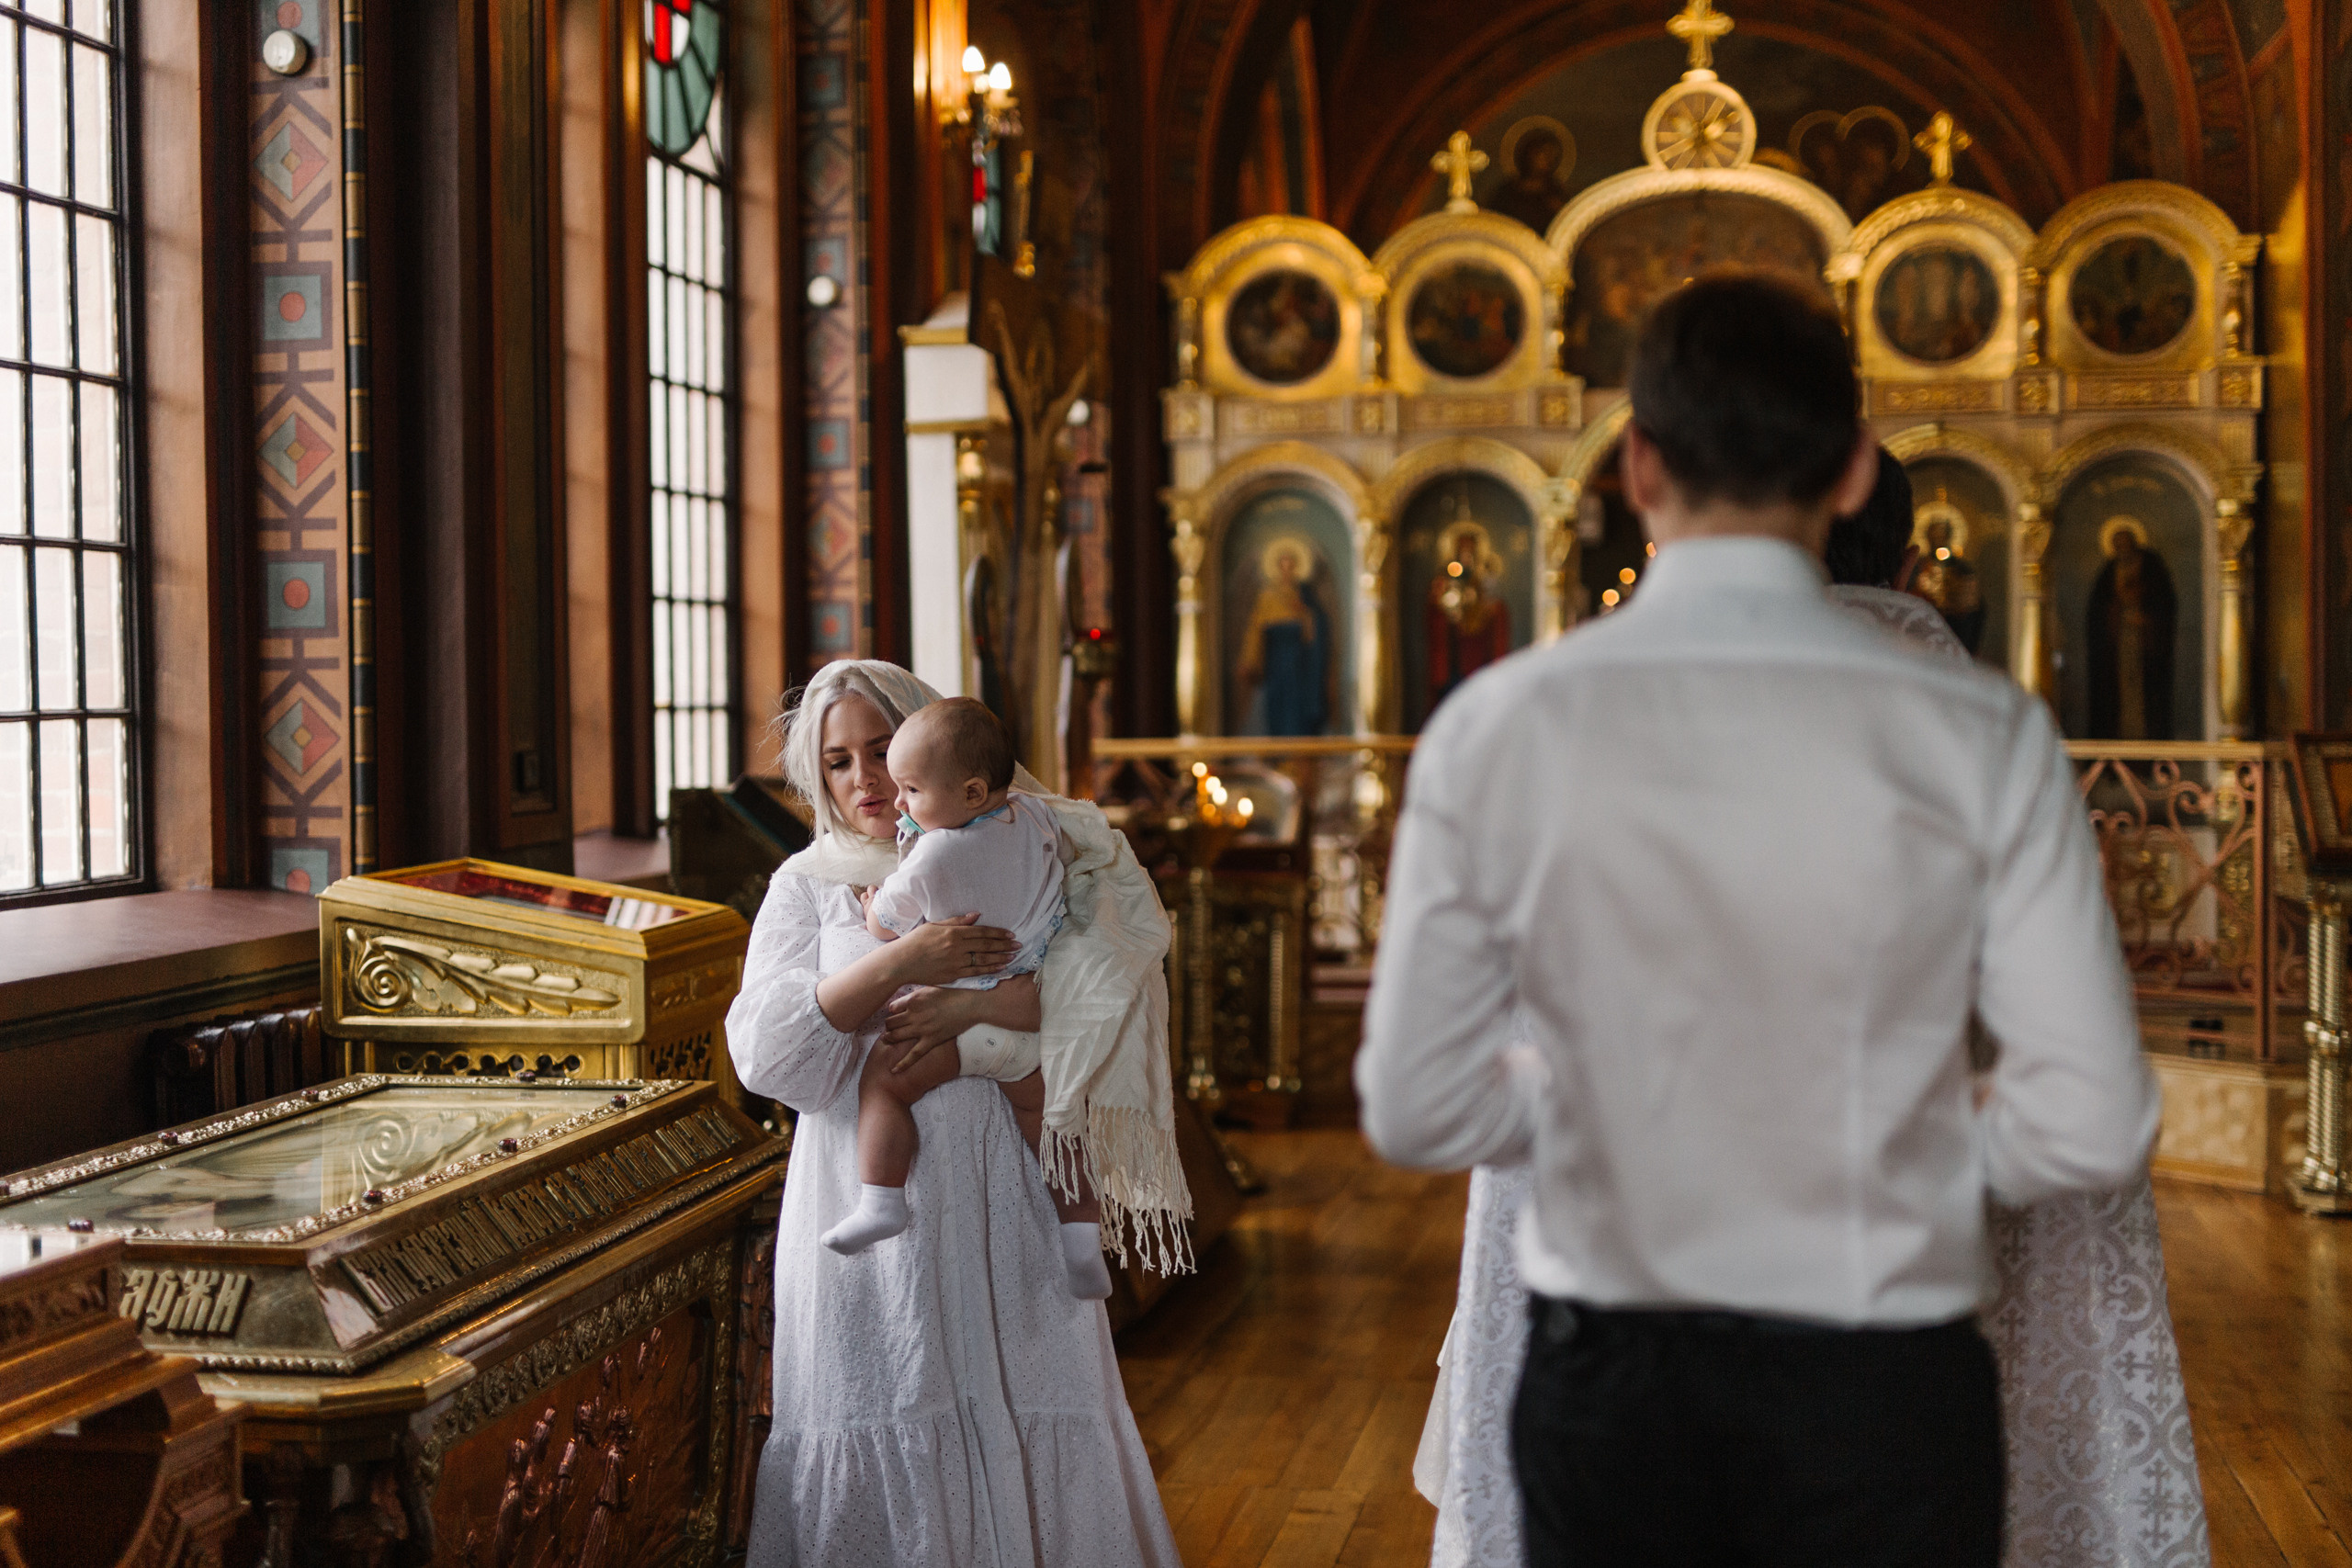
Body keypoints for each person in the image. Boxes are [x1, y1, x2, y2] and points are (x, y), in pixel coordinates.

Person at [1358, 271, 2159, 1567]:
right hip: (1885, 1384)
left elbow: (1417, 1104)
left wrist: (1620, 1102)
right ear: (1852, 472)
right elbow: (2094, 1116)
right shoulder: (1983, 732)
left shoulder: (1498, 727)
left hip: (1614, 1383)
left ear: (1637, 466)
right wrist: (1882, 1139)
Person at [727, 660, 1187, 1568]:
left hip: (1010, 1196)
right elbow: (768, 1054)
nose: (864, 780)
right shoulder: (810, 886)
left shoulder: (1026, 847)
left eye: (877, 751)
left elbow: (1090, 1000)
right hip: (870, 1210)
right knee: (894, 1404)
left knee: (1026, 1399)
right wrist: (899, 963)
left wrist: (973, 1005)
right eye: (839, 762)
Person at [823, 697, 1102, 1296]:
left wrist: (874, 906)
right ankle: (1083, 1239)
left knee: (885, 1084)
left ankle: (881, 1199)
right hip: (1027, 1022)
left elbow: (889, 926)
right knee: (1051, 1126)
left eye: (912, 789)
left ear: (972, 793)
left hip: (955, 1022)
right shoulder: (1033, 815)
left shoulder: (938, 851)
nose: (899, 801)